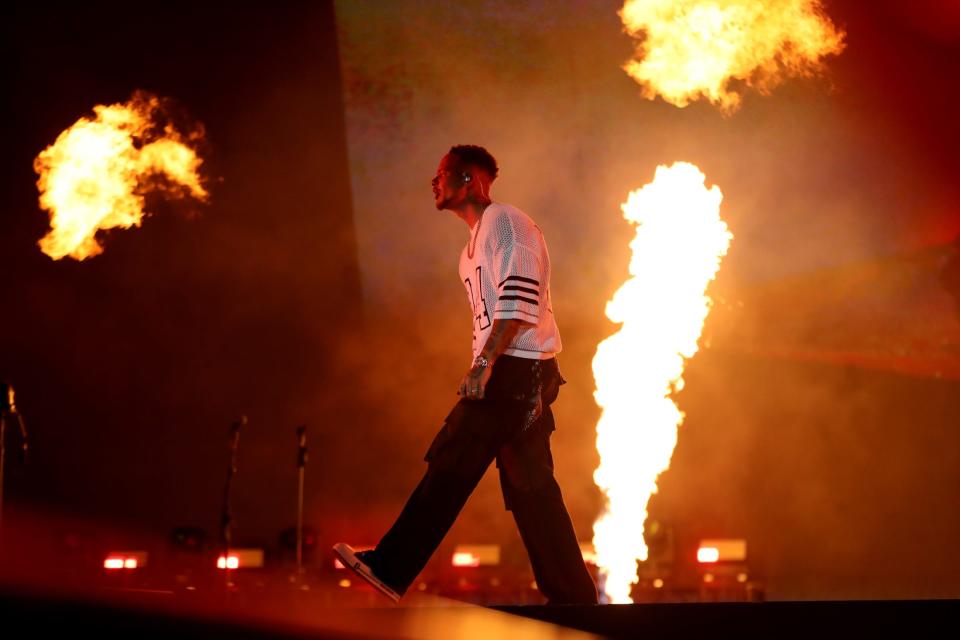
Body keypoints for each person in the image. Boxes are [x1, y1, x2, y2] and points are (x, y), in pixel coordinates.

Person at [334, 145, 597, 605]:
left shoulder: (507, 222)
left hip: (518, 370)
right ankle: (575, 600)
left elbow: (519, 303)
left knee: (455, 454)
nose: (433, 184)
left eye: (440, 175)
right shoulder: (469, 250)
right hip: (516, 371)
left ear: (468, 179)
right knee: (530, 486)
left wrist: (483, 366)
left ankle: (393, 566)